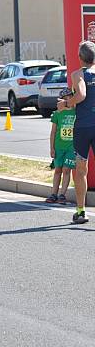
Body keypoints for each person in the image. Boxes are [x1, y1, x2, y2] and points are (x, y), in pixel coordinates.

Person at [58, 40, 95, 224]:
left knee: (81, 170)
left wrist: (66, 104)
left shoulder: (78, 74)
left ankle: (81, 212)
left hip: (83, 128)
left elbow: (81, 95)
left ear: (80, 58)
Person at [46, 87, 76, 204]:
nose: (67, 101)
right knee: (58, 170)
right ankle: (54, 193)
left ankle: (62, 194)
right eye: (65, 99)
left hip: (71, 147)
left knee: (66, 170)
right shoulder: (57, 114)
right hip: (59, 146)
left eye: (70, 98)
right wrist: (52, 148)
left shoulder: (76, 113)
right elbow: (53, 132)